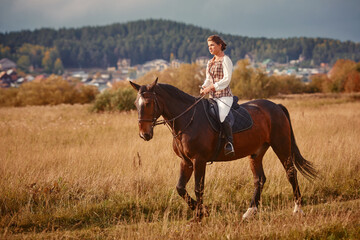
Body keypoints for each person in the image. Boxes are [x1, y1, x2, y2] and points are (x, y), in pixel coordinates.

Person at [200, 35, 235, 156]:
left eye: (212, 45)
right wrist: (204, 86)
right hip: (212, 97)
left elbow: (227, 79)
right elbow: (208, 79)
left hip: (224, 96)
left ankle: (229, 143)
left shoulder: (226, 60)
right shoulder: (210, 62)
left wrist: (212, 87)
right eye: (209, 46)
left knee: (221, 116)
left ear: (220, 45)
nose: (210, 48)